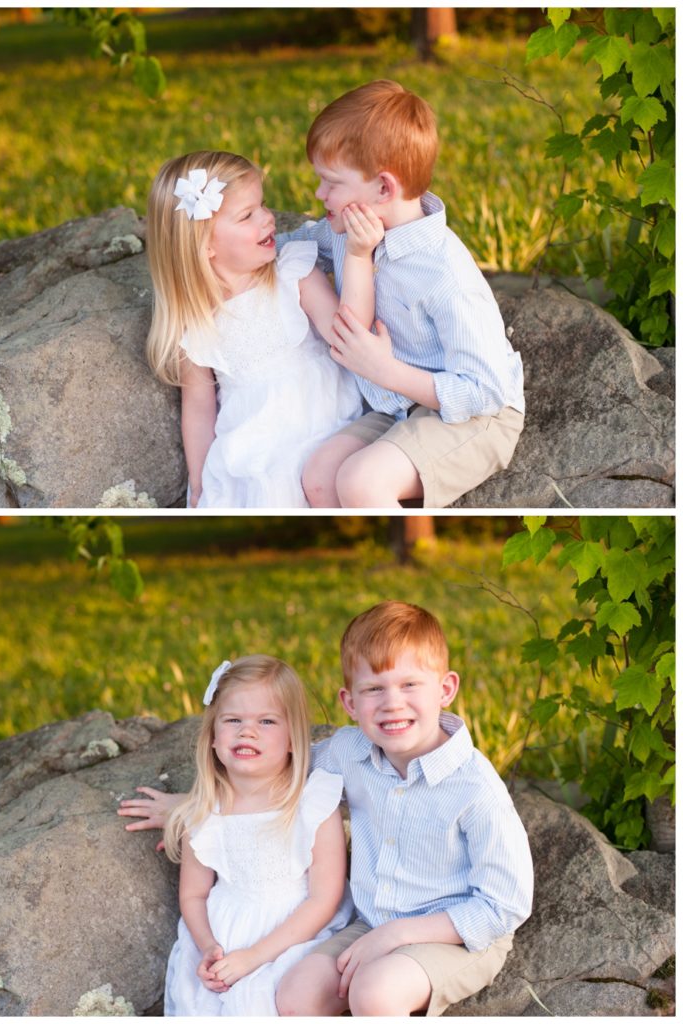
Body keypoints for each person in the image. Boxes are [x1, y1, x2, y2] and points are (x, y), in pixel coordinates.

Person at [120, 603, 533, 1017]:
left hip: (456, 936)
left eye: (410, 685)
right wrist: (192, 807)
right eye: (373, 689)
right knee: (295, 994)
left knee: (375, 993)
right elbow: (274, 769)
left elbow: (504, 907)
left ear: (445, 689)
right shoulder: (350, 752)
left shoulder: (475, 789)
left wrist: (395, 935)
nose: (392, 703)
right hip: (372, 922)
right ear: (349, 702)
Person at [277, 80, 526, 509]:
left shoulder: (444, 272)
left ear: (384, 188)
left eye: (331, 182)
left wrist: (384, 369)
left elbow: (485, 390)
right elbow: (294, 246)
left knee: (360, 482)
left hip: (476, 416)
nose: (319, 194)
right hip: (398, 404)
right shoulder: (345, 231)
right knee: (318, 476)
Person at [145, 149, 386, 508]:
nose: (267, 218)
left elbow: (349, 332)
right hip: (253, 448)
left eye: (263, 205)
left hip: (323, 423)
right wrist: (198, 483)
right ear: (204, 245)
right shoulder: (196, 323)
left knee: (320, 483)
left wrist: (358, 254)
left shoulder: (292, 272)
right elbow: (198, 408)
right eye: (247, 215)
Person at [158, 655, 353, 1016]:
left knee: (261, 1003)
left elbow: (323, 899)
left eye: (267, 721)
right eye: (233, 720)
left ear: (293, 739)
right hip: (224, 935)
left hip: (295, 936)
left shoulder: (312, 802)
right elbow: (194, 894)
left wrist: (253, 957)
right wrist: (207, 946)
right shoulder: (203, 813)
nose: (247, 731)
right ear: (212, 737)